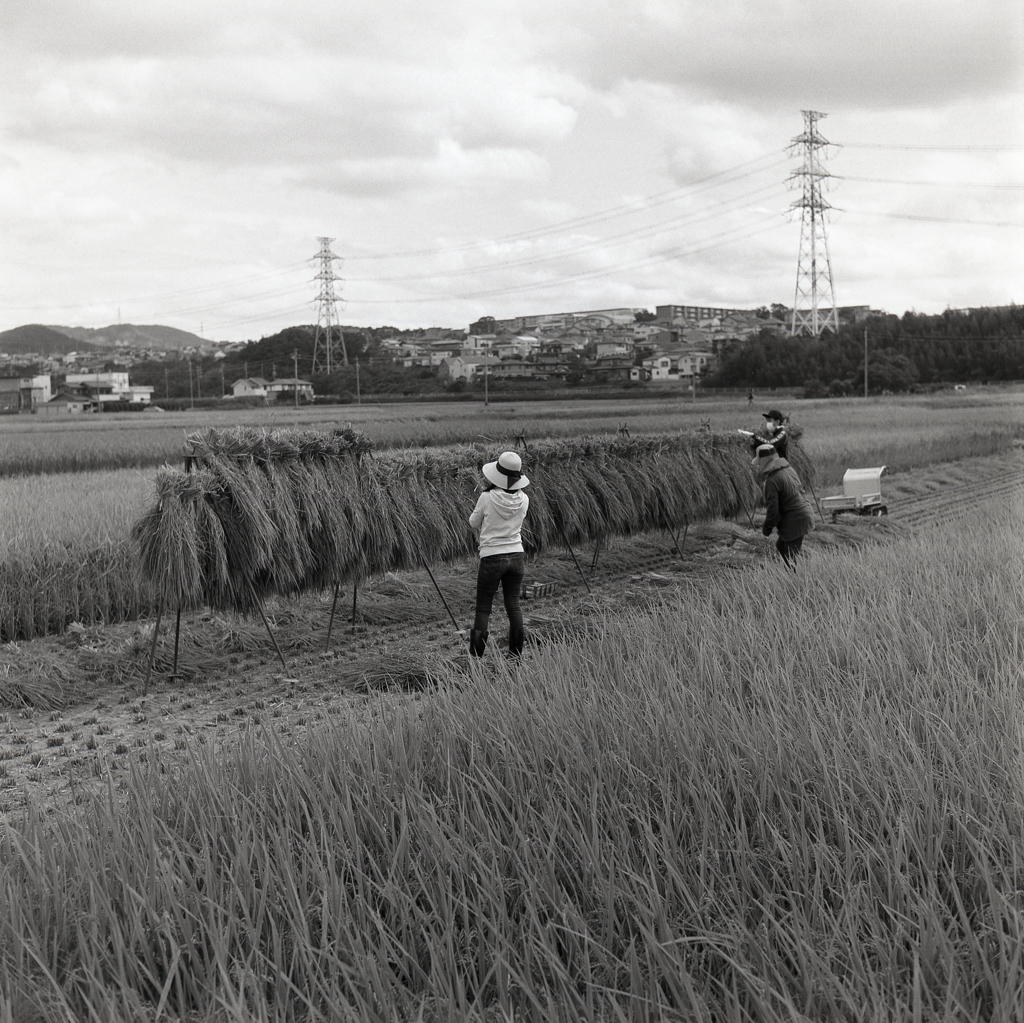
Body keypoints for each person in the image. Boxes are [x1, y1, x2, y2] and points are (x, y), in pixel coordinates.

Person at [467, 451, 530, 658]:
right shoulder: (524, 499)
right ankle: (515, 657)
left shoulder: (487, 497)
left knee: (483, 609)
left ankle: (476, 662)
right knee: (513, 605)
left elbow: (473, 522)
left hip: (493, 557)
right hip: (517, 557)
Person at [753, 443, 813, 568]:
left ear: (764, 462)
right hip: (802, 513)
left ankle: (795, 581)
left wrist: (766, 530)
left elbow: (773, 511)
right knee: (781, 547)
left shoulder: (772, 480)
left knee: (790, 557)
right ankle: (791, 576)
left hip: (796, 519)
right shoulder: (788, 469)